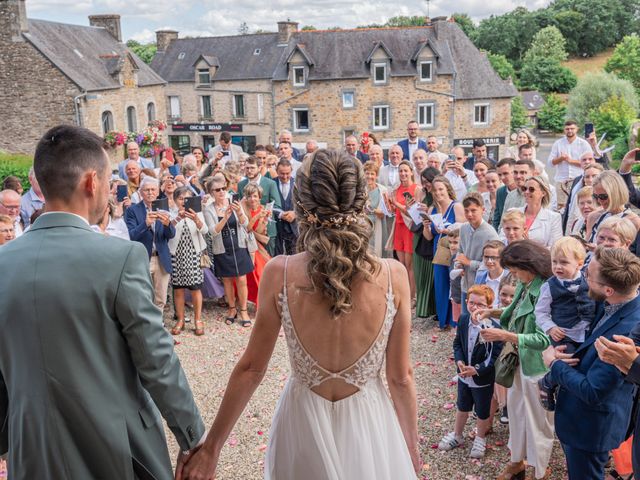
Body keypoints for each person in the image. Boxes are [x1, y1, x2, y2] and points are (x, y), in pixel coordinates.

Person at [179, 149, 419, 479]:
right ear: (362, 201)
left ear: (302, 204)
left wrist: (212, 448)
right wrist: (411, 450)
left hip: (303, 419)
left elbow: (251, 368)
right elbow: (400, 377)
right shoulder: (394, 275)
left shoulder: (280, 272)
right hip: (370, 423)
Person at [0, 125, 204, 479]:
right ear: (91, 183)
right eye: (110, 180)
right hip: (114, 449)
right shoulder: (120, 258)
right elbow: (156, 360)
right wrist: (194, 439)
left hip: (31, 451)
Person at [545, 247, 640, 480]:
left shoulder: (625, 333)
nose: (584, 276)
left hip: (591, 427)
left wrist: (553, 364)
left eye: (589, 275)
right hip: (582, 420)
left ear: (608, 290)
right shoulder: (614, 303)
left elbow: (593, 390)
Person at [477, 240, 554, 480]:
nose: (512, 273)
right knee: (518, 413)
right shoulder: (525, 282)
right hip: (519, 360)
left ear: (528, 265)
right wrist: (492, 312)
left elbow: (543, 339)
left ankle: (540, 470)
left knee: (538, 420)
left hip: (537, 365)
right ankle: (516, 461)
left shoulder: (544, 290)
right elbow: (514, 310)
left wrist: (503, 335)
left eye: (514, 268)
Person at [439, 285, 503, 459]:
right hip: (463, 375)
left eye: (480, 304)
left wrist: (476, 370)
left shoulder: (493, 327)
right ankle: (457, 435)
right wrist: (459, 361)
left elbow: (494, 356)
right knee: (462, 405)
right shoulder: (464, 319)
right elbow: (458, 343)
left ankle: (480, 438)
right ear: (466, 302)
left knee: (482, 410)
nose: (475, 307)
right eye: (471, 303)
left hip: (482, 378)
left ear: (489, 307)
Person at [535, 236, 595, 412]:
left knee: (585, 362)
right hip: (563, 332)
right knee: (568, 359)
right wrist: (550, 327)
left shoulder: (588, 280)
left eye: (563, 262)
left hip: (586, 330)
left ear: (579, 263)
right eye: (554, 262)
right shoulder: (549, 286)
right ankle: (547, 383)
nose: (558, 267)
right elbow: (540, 312)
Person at [203, 174, 254, 327]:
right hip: (221, 248)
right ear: (211, 192)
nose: (221, 192)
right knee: (227, 281)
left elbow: (246, 225)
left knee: (241, 279)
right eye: (217, 190)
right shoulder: (208, 209)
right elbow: (212, 232)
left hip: (239, 245)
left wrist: (239, 213)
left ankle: (243, 310)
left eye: (223, 188)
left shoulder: (235, 202)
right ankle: (232, 309)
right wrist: (225, 217)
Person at [125, 176, 175, 310]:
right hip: (142, 258)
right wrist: (145, 224)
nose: (150, 192)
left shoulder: (163, 208)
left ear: (158, 191)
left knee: (161, 297)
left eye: (153, 189)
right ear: (141, 192)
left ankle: (158, 323)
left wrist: (167, 224)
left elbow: (170, 235)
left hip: (161, 258)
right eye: (146, 190)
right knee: (143, 295)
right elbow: (130, 235)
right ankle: (146, 325)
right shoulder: (132, 210)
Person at [423, 176, 465, 329]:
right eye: (435, 190)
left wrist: (449, 230)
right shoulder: (431, 209)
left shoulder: (456, 207)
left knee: (454, 284)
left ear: (447, 189)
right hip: (438, 250)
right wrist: (426, 226)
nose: (438, 193)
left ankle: (456, 320)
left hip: (454, 250)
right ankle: (443, 321)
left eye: (441, 189)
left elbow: (463, 228)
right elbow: (428, 237)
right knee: (441, 284)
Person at [168, 186, 208, 337]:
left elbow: (205, 231)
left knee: (195, 287)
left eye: (188, 199)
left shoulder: (197, 212)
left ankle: (198, 319)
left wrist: (196, 219)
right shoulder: (171, 213)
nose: (184, 202)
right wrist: (178, 217)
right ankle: (180, 320)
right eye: (181, 199)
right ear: (175, 200)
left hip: (193, 253)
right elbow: (168, 231)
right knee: (178, 289)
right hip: (176, 254)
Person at [456, 192, 499, 314]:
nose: (469, 214)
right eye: (466, 211)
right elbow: (460, 251)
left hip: (481, 288)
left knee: (479, 320)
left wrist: (470, 263)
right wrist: (459, 265)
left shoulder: (490, 234)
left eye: (473, 210)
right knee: (465, 318)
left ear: (483, 210)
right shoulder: (464, 228)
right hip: (465, 284)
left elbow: (494, 263)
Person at [388, 160, 420, 300]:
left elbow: (412, 213)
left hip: (410, 230)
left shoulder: (416, 189)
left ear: (411, 172)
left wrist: (396, 204)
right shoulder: (396, 190)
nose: (403, 173)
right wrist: (389, 205)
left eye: (406, 170)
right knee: (401, 266)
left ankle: (411, 297)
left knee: (410, 265)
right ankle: (403, 296)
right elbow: (394, 211)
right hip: (399, 228)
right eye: (400, 171)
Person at [586, 170, 640, 246]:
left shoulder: (633, 220)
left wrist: (599, 251)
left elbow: (631, 255)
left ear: (615, 194)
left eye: (603, 196)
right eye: (595, 196)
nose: (599, 200)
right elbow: (586, 246)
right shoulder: (594, 216)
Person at [547, 120, 592, 209]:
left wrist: (571, 161)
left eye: (572, 128)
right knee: (561, 207)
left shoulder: (583, 144)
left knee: (577, 206)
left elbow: (590, 163)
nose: (570, 131)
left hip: (578, 180)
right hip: (561, 181)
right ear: (564, 130)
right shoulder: (558, 143)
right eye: (567, 129)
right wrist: (561, 158)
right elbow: (550, 163)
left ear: (577, 129)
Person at [413, 167, 439, 318]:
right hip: (419, 233)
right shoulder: (421, 192)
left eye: (428, 181)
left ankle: (432, 308)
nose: (426, 185)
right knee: (419, 272)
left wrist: (429, 209)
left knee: (431, 273)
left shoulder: (438, 193)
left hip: (432, 234)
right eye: (423, 182)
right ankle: (422, 308)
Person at [242, 183, 274, 307]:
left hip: (256, 246)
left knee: (261, 273)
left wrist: (264, 221)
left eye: (255, 196)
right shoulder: (243, 207)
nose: (252, 199)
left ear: (260, 197)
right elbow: (247, 228)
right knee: (249, 275)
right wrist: (256, 218)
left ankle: (262, 303)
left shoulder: (263, 209)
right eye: (249, 196)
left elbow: (260, 232)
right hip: (244, 243)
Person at [515, 175, 563, 248]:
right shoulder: (513, 213)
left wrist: (530, 244)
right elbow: (502, 239)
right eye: (524, 189)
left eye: (531, 189)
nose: (527, 192)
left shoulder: (554, 217)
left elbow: (555, 248)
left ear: (543, 193)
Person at [561, 152, 598, 233]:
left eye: (594, 176)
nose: (590, 179)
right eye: (587, 177)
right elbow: (570, 210)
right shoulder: (578, 184)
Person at [499, 159, 535, 230]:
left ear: (533, 174)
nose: (518, 176)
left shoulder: (538, 196)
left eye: (523, 172)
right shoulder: (510, 195)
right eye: (515, 172)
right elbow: (502, 224)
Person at [363, 161, 389, 258]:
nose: (369, 176)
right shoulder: (359, 191)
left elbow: (383, 213)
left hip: (378, 226)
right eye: (367, 173)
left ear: (376, 175)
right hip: (363, 228)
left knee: (377, 254)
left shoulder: (383, 190)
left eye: (372, 173)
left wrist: (371, 210)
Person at [273, 159, 299, 255]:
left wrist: (295, 213)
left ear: (291, 171)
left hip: (294, 229)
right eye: (282, 174)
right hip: (277, 228)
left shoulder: (298, 184)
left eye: (287, 173)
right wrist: (280, 214)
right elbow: (266, 204)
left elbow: (305, 204)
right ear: (276, 171)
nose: (285, 177)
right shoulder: (271, 183)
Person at [474, 240, 507, 307]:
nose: (489, 261)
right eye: (486, 257)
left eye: (494, 258)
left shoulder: (509, 277)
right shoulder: (480, 276)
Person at [493, 158, 517, 230]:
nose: (502, 177)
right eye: (499, 175)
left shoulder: (525, 190)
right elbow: (497, 218)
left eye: (505, 173)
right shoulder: (500, 192)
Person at [448, 228, 463, 324]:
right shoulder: (453, 258)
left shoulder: (463, 258)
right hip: (455, 294)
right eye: (450, 242)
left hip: (462, 295)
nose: (452, 246)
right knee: (457, 320)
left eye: (455, 242)